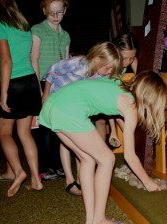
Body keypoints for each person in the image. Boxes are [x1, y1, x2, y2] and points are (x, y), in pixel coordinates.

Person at [39, 70, 166, 224]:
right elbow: (129, 155)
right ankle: (99, 222)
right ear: (153, 99)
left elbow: (117, 115)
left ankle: (91, 222)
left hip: (52, 106)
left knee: (87, 160)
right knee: (107, 159)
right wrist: (147, 181)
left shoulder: (119, 88)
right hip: (69, 111)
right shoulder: (131, 106)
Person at [42, 41, 122, 195]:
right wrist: (46, 93)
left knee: (80, 147)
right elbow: (53, 71)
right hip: (59, 104)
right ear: (98, 59)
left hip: (76, 109)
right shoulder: (79, 63)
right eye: (108, 67)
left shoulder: (98, 75)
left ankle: (81, 179)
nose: (110, 70)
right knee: (66, 144)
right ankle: (69, 179)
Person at [0, 0, 43, 197]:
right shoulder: (24, 27)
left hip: (14, 83)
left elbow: (6, 60)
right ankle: (36, 180)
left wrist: (3, 93)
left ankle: (19, 172)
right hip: (30, 82)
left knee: (3, 133)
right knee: (25, 133)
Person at [31, 0, 71, 180]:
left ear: (64, 11)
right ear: (44, 10)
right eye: (51, 13)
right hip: (41, 82)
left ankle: (57, 165)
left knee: (57, 126)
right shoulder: (37, 30)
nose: (56, 17)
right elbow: (34, 59)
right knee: (43, 127)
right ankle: (44, 167)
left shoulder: (65, 35)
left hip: (59, 85)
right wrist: (38, 90)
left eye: (59, 13)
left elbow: (67, 62)